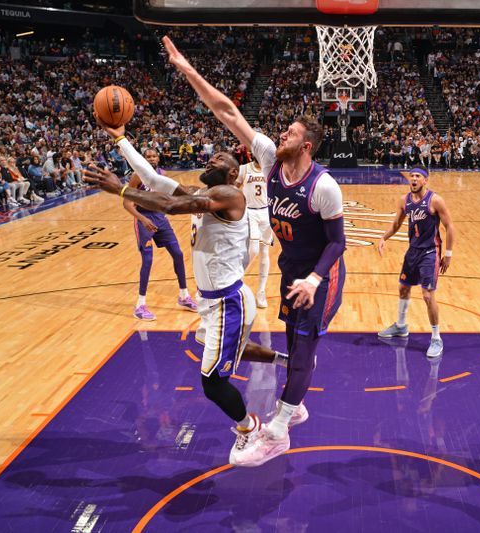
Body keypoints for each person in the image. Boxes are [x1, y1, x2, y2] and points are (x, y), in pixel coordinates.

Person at [163, 36, 345, 466]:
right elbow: (227, 111)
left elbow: (337, 242)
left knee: (303, 350)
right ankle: (294, 405)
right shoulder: (268, 159)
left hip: (320, 275)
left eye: (290, 134)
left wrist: (315, 278)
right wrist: (188, 70)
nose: (280, 134)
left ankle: (278, 431)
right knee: (290, 339)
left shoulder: (324, 187)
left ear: (306, 147)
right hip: (290, 269)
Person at [83, 149, 289, 467]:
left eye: (220, 159)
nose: (211, 159)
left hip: (227, 301)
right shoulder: (206, 195)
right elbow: (153, 180)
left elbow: (169, 206)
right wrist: (121, 138)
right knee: (212, 344)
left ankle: (251, 428)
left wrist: (121, 189)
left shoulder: (227, 194)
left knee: (212, 382)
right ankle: (286, 360)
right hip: (214, 301)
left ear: (233, 174)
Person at [376, 167, 455, 358]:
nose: (413, 179)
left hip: (430, 252)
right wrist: (383, 237)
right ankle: (401, 326)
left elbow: (449, 226)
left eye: (417, 176)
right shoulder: (405, 201)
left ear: (425, 181)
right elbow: (396, 224)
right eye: (411, 176)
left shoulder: (435, 200)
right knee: (403, 288)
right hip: (412, 251)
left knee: (428, 295)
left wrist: (448, 254)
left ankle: (436, 338)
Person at [122, 148, 197, 319]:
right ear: (143, 159)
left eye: (154, 156)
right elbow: (127, 203)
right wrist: (143, 220)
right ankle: (140, 306)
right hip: (144, 219)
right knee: (147, 260)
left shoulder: (162, 174)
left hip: (160, 218)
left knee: (178, 254)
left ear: (158, 158)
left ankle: (184, 296)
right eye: (148, 156)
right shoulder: (137, 176)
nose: (151, 159)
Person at [235, 153, 272, 308]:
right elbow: (234, 187)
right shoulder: (244, 169)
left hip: (267, 212)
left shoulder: (270, 169)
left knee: (265, 252)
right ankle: (235, 280)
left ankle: (261, 292)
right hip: (250, 211)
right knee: (254, 249)